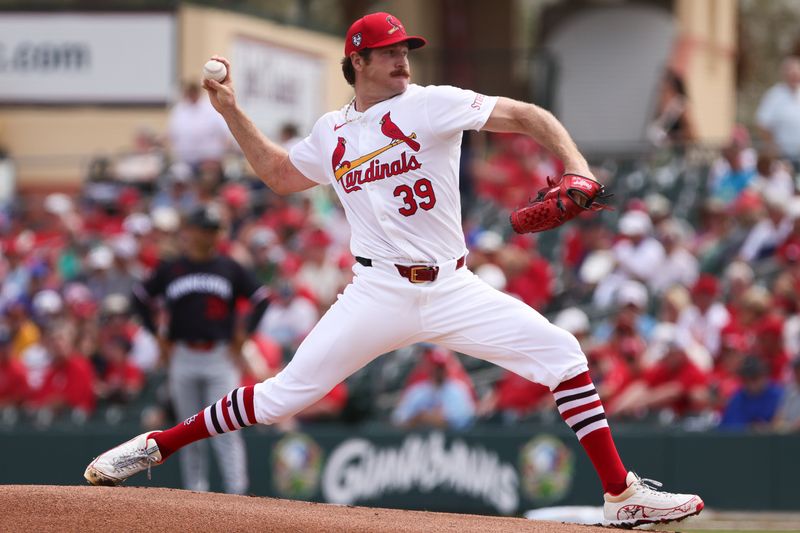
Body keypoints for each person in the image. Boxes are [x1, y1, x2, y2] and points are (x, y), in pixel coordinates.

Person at [85, 12, 703, 526]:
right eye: (387, 53)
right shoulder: (331, 130)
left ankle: (621, 497)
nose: (402, 59)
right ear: (357, 61)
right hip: (377, 288)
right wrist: (229, 111)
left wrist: (575, 164)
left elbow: (529, 116)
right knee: (280, 397)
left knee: (564, 354)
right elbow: (278, 175)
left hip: (452, 285)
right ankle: (152, 447)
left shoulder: (432, 105)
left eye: (405, 49)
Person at [126, 204, 270, 495]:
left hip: (219, 356)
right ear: (190, 231)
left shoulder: (229, 267)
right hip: (183, 354)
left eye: (214, 229)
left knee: (227, 429)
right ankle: (196, 497)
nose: (211, 235)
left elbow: (262, 297)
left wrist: (244, 333)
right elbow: (139, 298)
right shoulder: (171, 268)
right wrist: (157, 335)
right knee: (187, 431)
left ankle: (237, 496)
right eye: (205, 228)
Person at [756, 57, 800, 168]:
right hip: (782, 156)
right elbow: (762, 123)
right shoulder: (774, 95)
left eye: (796, 73)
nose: (794, 77)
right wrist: (773, 145)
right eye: (791, 74)